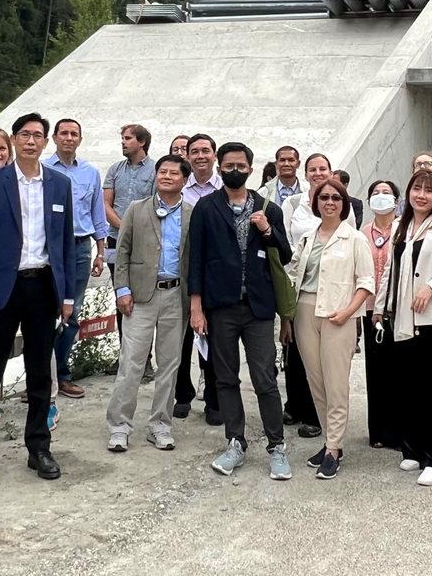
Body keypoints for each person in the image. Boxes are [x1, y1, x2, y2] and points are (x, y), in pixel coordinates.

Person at [0, 112, 76, 483]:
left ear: (46, 142)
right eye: (25, 134)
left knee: (40, 370)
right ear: (13, 139)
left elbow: (64, 243)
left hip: (43, 286)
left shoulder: (59, 184)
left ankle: (39, 447)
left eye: (38, 135)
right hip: (2, 287)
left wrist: (68, 294)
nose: (31, 141)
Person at [188, 142, 295, 480]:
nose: (235, 169)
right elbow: (196, 262)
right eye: (228, 164)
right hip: (220, 307)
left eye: (241, 164)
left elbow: (286, 253)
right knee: (225, 377)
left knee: (265, 377)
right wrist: (196, 307)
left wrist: (266, 229)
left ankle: (276, 446)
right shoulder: (205, 208)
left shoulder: (269, 208)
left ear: (250, 168)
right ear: (219, 168)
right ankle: (235, 441)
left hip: (259, 308)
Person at [373, 170, 432, 487]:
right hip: (401, 317)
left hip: (431, 319)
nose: (421, 195)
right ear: (408, 194)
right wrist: (380, 308)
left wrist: (431, 287)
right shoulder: (400, 226)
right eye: (416, 188)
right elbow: (390, 272)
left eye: (428, 190)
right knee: (407, 387)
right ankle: (412, 449)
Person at [287, 177, 375, 480]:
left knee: (336, 384)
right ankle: (330, 441)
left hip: (339, 315)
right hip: (306, 312)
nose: (329, 202)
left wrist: (348, 312)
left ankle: (334, 448)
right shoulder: (309, 237)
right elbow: (294, 274)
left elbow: (366, 283)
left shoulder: (355, 239)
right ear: (316, 203)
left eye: (336, 198)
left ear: (344, 203)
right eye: (323, 197)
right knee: (317, 382)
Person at [106, 155, 192, 453]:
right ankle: (119, 426)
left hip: (175, 296)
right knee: (131, 362)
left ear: (184, 180)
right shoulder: (136, 209)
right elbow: (123, 249)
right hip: (140, 296)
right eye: (162, 171)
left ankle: (160, 425)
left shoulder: (192, 214)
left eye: (174, 173)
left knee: (170, 365)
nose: (167, 176)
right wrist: (122, 290)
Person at [44, 119, 108, 401]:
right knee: (44, 313)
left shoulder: (90, 172)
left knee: (73, 313)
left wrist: (101, 251)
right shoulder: (42, 169)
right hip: (50, 248)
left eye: (74, 134)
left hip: (81, 247)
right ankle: (40, 379)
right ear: (55, 138)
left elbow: (97, 213)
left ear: (80, 139)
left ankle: (63, 375)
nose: (69, 138)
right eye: (64, 133)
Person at [279, 153, 335, 439]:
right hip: (297, 280)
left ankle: (316, 414)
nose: (317, 173)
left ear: (331, 171)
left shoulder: (339, 202)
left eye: (322, 168)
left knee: (321, 352)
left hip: (328, 284)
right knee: (294, 347)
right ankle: (295, 404)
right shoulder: (292, 203)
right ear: (306, 172)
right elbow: (286, 240)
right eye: (313, 169)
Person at [174, 133, 222, 422]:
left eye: (206, 151)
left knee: (215, 338)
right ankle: (182, 395)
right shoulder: (180, 188)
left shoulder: (226, 188)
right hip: (182, 270)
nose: (200, 156)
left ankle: (214, 399)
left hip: (215, 273)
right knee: (181, 339)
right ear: (187, 156)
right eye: (195, 151)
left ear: (214, 155)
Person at [361, 180, 402, 450]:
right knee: (376, 372)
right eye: (376, 193)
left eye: (386, 193)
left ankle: (402, 431)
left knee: (401, 371)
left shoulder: (405, 229)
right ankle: (379, 431)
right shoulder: (362, 232)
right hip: (370, 310)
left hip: (399, 310)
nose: (381, 197)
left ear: (397, 201)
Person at [103, 124, 157, 268]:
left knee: (140, 284)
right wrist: (123, 227)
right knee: (117, 284)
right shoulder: (115, 169)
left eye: (128, 138)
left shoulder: (156, 170)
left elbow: (156, 205)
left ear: (142, 142)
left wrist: (135, 230)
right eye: (122, 138)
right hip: (115, 237)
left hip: (143, 239)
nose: (123, 142)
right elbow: (105, 204)